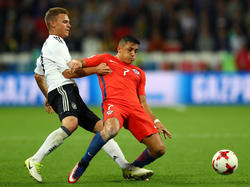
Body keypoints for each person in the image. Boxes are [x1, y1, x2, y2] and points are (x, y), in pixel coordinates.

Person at [24, 8, 150, 183]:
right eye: (65, 21)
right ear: (53, 24)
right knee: (71, 123)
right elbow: (68, 74)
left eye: (69, 21)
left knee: (102, 129)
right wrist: (96, 70)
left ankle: (126, 167)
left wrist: (48, 94)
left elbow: (38, 75)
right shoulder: (54, 43)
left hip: (64, 91)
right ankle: (35, 159)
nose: (69, 24)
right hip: (63, 88)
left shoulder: (50, 46)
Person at [65, 35, 172, 183]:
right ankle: (83, 163)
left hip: (136, 110)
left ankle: (132, 169)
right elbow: (81, 63)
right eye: (130, 50)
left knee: (159, 149)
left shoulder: (139, 73)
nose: (133, 54)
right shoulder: (106, 59)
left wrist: (156, 121)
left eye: (136, 51)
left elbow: (143, 102)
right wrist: (75, 62)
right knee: (111, 129)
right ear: (119, 48)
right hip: (114, 105)